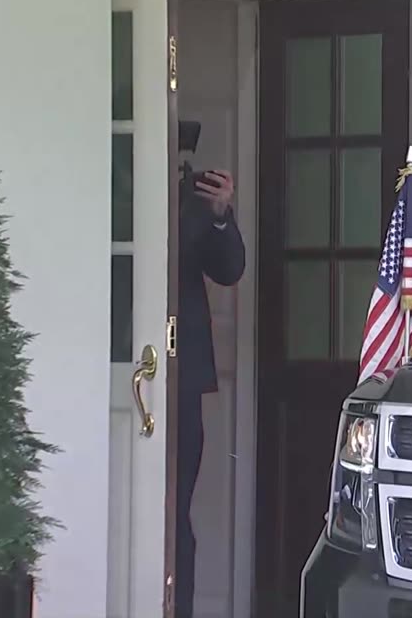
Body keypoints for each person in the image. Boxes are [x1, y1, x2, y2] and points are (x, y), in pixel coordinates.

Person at [175, 120, 246, 618]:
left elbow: (229, 270)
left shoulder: (196, 200)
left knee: (178, 509)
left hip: (181, 377)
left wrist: (220, 215)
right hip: (129, 365)